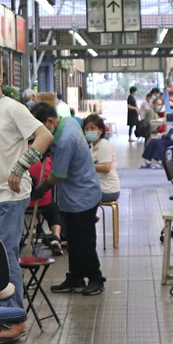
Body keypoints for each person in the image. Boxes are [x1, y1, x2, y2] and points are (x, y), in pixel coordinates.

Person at [0, 62, 54, 343]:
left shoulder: (13, 108)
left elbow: (44, 136)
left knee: (6, 253)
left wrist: (20, 168)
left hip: (11, 195)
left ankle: (16, 317)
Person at [30, 102, 105, 296]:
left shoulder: (65, 140)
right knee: (73, 239)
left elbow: (56, 175)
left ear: (49, 122)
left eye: (39, 129)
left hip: (82, 196)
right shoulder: (70, 122)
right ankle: (76, 277)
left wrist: (42, 188)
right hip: (78, 193)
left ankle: (96, 278)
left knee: (83, 240)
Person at [28, 152, 64, 255]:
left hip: (25, 202)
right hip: (44, 201)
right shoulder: (47, 159)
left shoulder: (21, 156)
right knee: (54, 213)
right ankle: (56, 237)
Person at [83, 114, 120, 203]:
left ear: (100, 131)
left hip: (107, 191)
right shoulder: (93, 146)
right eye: (87, 128)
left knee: (76, 197)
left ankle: (89, 217)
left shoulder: (103, 144)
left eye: (92, 128)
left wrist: (86, 165)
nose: (89, 131)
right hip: (100, 188)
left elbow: (106, 167)